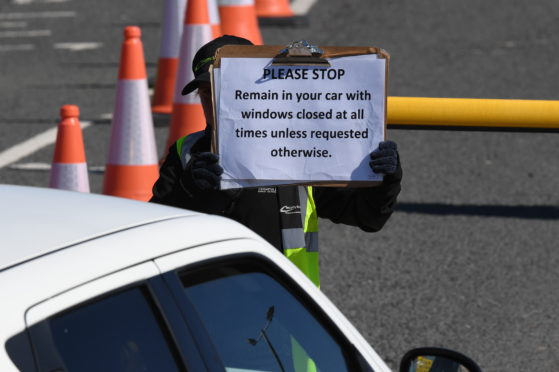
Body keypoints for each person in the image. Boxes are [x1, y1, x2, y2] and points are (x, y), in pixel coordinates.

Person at [151, 35, 402, 287]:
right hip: (210, 307)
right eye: (207, 94)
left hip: (286, 307)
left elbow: (368, 217)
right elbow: (153, 237)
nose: (216, 104)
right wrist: (189, 191)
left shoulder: (301, 149)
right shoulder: (186, 154)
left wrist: (385, 180)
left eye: (228, 91)